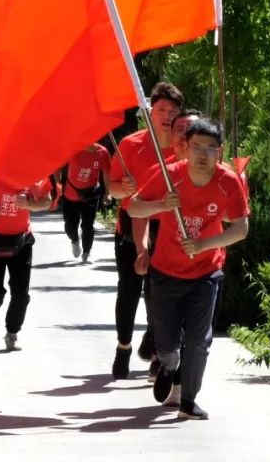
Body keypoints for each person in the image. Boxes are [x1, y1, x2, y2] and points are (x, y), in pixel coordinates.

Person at [129, 118, 250, 420]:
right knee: (167, 344)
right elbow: (134, 207)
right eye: (196, 146)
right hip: (166, 272)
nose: (202, 154)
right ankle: (168, 364)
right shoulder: (169, 175)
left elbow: (240, 229)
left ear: (219, 151)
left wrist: (204, 244)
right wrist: (162, 205)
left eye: (210, 148)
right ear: (185, 147)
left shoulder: (228, 181)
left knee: (199, 340)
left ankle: (188, 400)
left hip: (206, 273)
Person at [106, 82, 182, 379]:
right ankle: (123, 347)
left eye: (172, 111)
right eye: (161, 110)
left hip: (168, 228)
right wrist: (122, 187)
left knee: (159, 293)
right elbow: (112, 189)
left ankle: (157, 348)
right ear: (150, 113)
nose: (167, 116)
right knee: (129, 289)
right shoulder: (130, 145)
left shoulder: (183, 147)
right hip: (131, 223)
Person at [134, 108, 204, 384]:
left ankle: (180, 382)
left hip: (202, 263)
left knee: (196, 330)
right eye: (179, 131)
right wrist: (142, 249)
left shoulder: (219, 174)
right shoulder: (161, 172)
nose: (185, 137)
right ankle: (161, 350)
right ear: (172, 137)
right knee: (160, 314)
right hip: (162, 255)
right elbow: (138, 211)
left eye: (191, 131)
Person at [0, 176, 54, 351]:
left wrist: (29, 204)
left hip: (21, 240)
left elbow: (47, 201)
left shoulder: (33, 172)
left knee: (21, 294)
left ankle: (12, 332)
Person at [61, 143, 111, 263]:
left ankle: (86, 252)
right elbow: (57, 166)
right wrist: (58, 184)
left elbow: (107, 173)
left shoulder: (102, 152)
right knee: (70, 227)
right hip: (71, 195)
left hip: (91, 195)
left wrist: (108, 193)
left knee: (88, 225)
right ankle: (75, 240)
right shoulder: (73, 148)